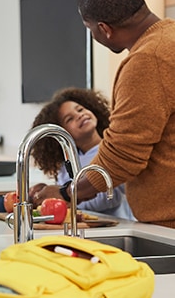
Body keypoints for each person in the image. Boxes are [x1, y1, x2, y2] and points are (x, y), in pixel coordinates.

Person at [31, 0, 175, 228]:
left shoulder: (147, 60)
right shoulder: (169, 39)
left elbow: (122, 156)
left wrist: (66, 193)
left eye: (90, 30)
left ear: (105, 29)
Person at [28, 88, 135, 220]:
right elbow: (61, 191)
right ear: (63, 132)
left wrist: (65, 197)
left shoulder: (112, 151)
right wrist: (46, 193)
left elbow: (109, 197)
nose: (79, 115)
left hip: (115, 224)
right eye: (69, 119)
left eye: (80, 109)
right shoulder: (66, 163)